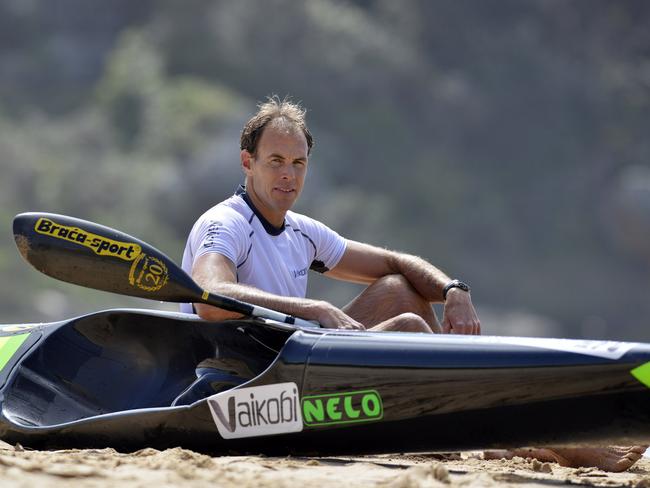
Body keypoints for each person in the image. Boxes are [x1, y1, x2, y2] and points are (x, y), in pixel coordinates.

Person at [181, 96, 645, 472]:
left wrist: (453, 290)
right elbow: (210, 299)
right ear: (248, 161)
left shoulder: (301, 231)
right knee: (405, 322)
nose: (288, 174)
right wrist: (314, 309)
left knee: (400, 288)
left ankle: (463, 426)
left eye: (298, 163)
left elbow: (392, 260)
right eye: (276, 161)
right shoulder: (226, 224)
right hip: (245, 389)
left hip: (293, 365)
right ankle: (513, 433)